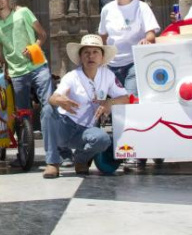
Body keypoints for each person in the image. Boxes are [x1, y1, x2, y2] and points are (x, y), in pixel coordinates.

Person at [0, 0, 55, 168]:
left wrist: (34, 47)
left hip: (38, 66)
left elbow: (43, 35)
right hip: (16, 72)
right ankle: (23, 153)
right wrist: (5, 67)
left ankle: (55, 155)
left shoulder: (24, 13)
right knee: (22, 115)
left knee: (49, 108)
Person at [42, 34, 128, 178]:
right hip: (65, 126)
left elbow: (125, 97)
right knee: (47, 110)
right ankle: (52, 163)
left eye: (95, 52)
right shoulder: (72, 76)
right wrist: (60, 100)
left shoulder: (107, 75)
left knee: (103, 140)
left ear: (102, 57)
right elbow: (53, 98)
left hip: (85, 131)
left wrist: (109, 103)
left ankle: (80, 160)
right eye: (86, 53)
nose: (91, 56)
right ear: (81, 57)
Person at [98, 0, 160, 95]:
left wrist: (147, 40)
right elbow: (102, 35)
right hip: (112, 64)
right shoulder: (107, 9)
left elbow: (151, 33)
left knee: (130, 97)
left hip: (134, 61)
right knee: (117, 99)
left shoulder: (142, 7)